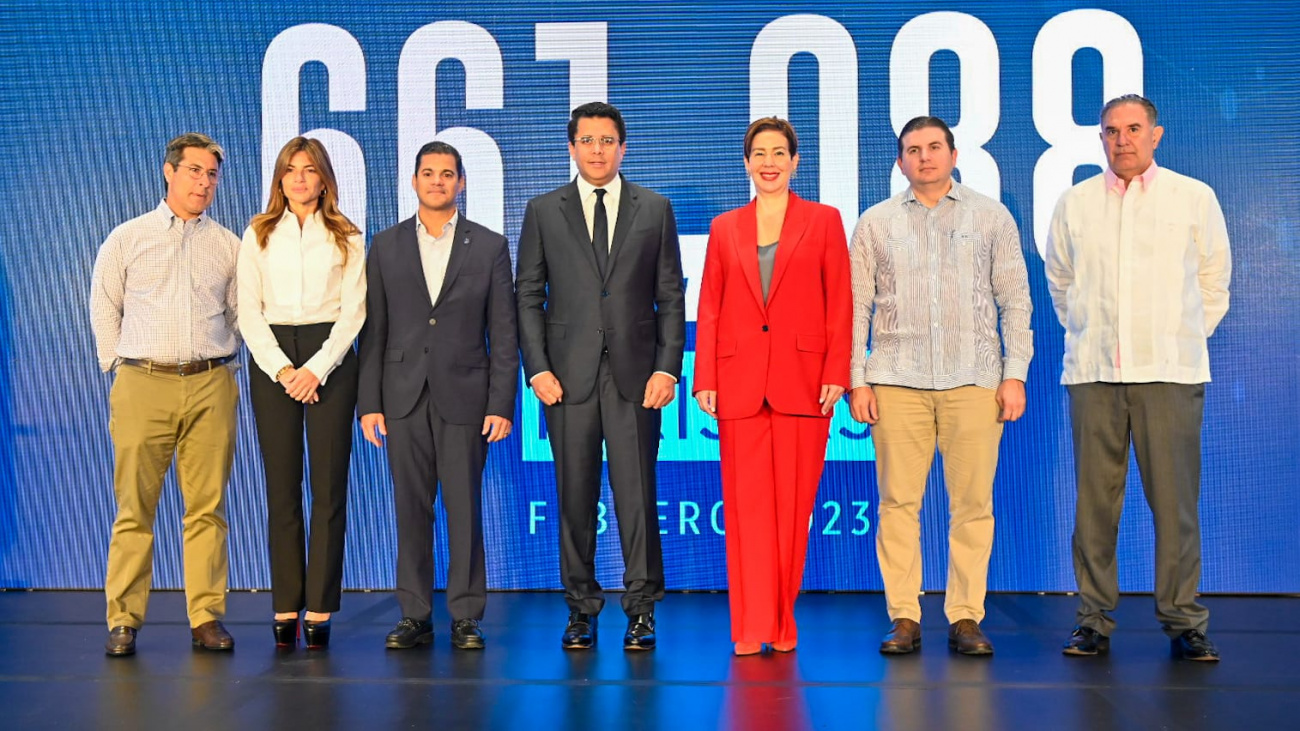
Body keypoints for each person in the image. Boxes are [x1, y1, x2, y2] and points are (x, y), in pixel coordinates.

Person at [1045, 94, 1231, 662]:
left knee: (1175, 506)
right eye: (1111, 131)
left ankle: (1184, 621)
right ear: (1101, 138)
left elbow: (1213, 282)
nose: (1121, 139)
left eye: (1132, 129)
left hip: (1168, 374)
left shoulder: (1192, 197)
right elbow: (1061, 282)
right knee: (1094, 508)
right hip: (1094, 373)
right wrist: (1091, 335)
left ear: (1156, 134)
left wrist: (1177, 337)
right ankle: (1093, 620)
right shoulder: (1076, 202)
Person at [848, 116, 1033, 656]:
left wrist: (1015, 373)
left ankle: (965, 616)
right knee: (897, 504)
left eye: (934, 147)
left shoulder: (991, 217)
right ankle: (904, 616)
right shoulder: (875, 224)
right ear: (900, 161)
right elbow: (856, 308)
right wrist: (857, 380)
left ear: (953, 155)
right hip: (896, 380)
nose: (924, 157)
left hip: (974, 378)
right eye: (913, 150)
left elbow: (1015, 301)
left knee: (972, 505)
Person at [516, 101, 685, 651]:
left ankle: (642, 609)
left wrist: (668, 368)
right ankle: (580, 608)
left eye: (606, 141)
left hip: (637, 378)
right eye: (586, 141)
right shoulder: (543, 210)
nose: (596, 150)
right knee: (574, 497)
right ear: (571, 148)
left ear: (622, 148)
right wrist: (537, 369)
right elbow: (527, 296)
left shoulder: (654, 209)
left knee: (637, 497)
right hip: (566, 380)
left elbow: (670, 296)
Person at [692, 117, 852, 656]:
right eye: (759, 153)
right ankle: (748, 626)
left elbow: (840, 302)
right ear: (746, 163)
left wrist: (836, 371)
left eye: (779, 152)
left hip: (804, 384)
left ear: (795, 162)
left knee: (792, 513)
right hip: (738, 385)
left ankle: (782, 623)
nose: (769, 162)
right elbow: (710, 306)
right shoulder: (725, 227)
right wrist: (705, 377)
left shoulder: (824, 220)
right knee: (746, 515)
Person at [358, 141, 518, 651]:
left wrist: (500, 404)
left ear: (461, 183)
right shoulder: (385, 245)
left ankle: (466, 615)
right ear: (413, 181)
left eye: (447, 174)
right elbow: (374, 331)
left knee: (464, 509)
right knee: (411, 509)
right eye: (428, 173)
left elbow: (504, 333)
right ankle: (415, 614)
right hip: (402, 397)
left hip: (466, 397)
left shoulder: (489, 246)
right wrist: (369, 403)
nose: (437, 181)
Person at [89, 132, 241, 656]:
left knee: (208, 509)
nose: (204, 182)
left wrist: (216, 359)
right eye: (194, 170)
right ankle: (123, 620)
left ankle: (206, 617)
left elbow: (239, 315)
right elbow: (104, 304)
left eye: (212, 174)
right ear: (168, 172)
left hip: (210, 384)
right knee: (134, 508)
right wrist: (119, 365)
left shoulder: (228, 245)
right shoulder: (128, 237)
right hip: (142, 382)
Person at [238, 136, 365, 649]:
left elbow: (354, 313)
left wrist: (315, 370)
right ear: (279, 178)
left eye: (309, 169)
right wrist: (284, 370)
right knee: (282, 487)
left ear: (324, 179)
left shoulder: (347, 235)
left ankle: (320, 604)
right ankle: (286, 600)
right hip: (272, 359)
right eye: (290, 169)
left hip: (329, 355)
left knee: (329, 488)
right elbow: (248, 311)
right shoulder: (258, 232)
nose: (299, 178)